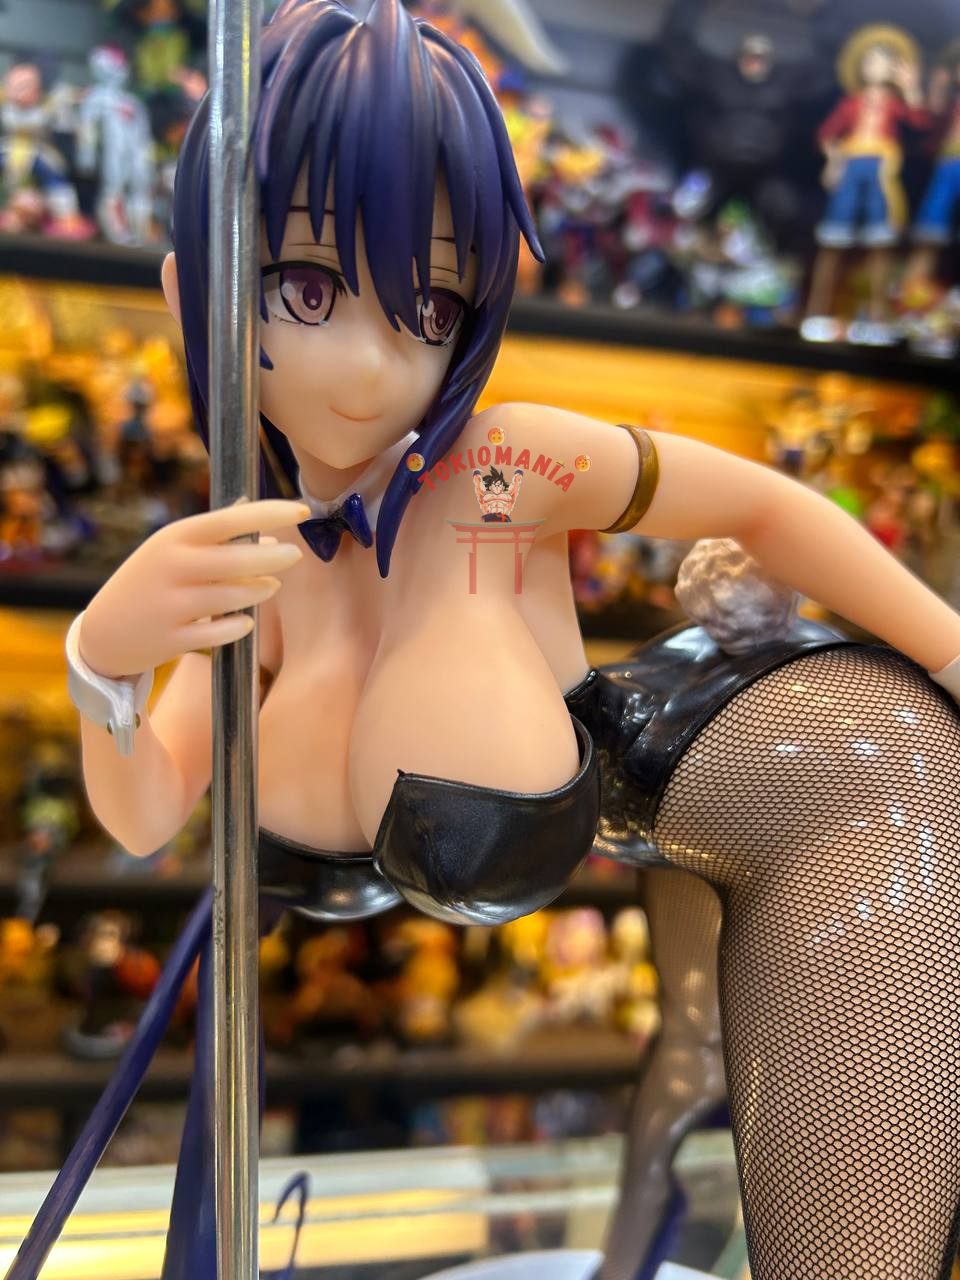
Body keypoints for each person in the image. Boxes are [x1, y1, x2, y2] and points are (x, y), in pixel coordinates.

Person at [15, 3, 960, 1278]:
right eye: (307, 288)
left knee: (880, 782)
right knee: (705, 1083)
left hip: (761, 769)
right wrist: (104, 660)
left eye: (429, 304)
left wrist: (951, 654)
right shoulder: (254, 557)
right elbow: (143, 813)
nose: (369, 366)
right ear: (197, 290)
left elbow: (764, 503)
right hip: (627, 833)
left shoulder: (505, 463)